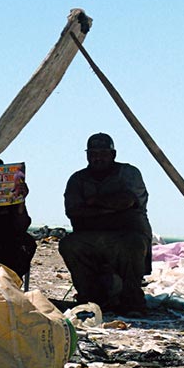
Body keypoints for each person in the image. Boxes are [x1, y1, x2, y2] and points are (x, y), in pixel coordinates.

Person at [59, 133, 152, 314]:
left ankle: (132, 301)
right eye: (93, 153)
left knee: (133, 245)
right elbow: (73, 211)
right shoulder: (78, 179)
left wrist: (94, 203)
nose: (97, 157)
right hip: (90, 235)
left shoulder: (129, 173)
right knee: (69, 244)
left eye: (103, 153)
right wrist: (112, 208)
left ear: (113, 154)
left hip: (127, 234)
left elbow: (127, 201)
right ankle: (91, 298)